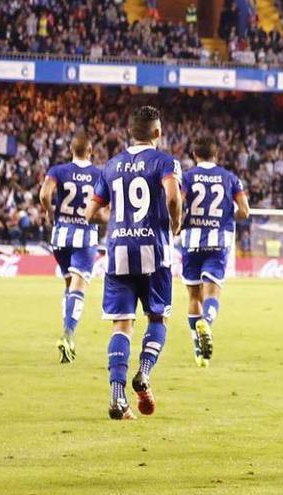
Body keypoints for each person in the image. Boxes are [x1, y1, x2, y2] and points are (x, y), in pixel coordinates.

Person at [84, 106, 183, 420]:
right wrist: (176, 221)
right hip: (155, 253)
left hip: (119, 252)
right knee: (157, 319)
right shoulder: (165, 161)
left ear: (131, 132)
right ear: (157, 132)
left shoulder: (111, 165)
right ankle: (143, 372)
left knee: (121, 325)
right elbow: (172, 196)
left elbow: (90, 213)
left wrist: (115, 220)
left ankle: (117, 399)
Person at [180, 135, 250, 367]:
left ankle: (199, 352)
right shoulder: (230, 178)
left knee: (194, 297)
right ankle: (206, 324)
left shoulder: (187, 177)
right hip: (218, 240)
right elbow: (245, 211)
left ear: (194, 155)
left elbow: (178, 205)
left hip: (191, 240)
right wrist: (228, 216)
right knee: (212, 295)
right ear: (216, 155)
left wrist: (177, 224)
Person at [39, 132, 103, 363]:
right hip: (85, 237)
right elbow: (104, 211)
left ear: (70, 149)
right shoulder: (99, 174)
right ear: (91, 150)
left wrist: (49, 212)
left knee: (69, 285)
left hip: (60, 235)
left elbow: (44, 194)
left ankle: (68, 331)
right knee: (79, 287)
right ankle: (68, 335)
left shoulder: (59, 170)